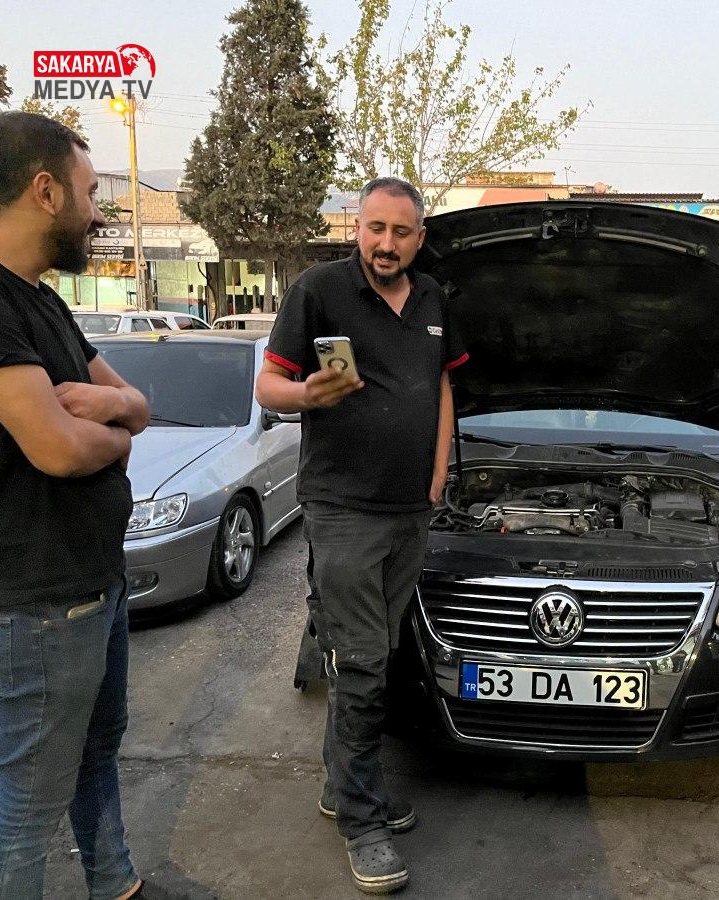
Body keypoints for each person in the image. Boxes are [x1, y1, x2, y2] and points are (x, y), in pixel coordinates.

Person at [255, 176, 467, 895]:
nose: (386, 243)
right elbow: (268, 387)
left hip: (410, 510)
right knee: (365, 661)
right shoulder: (319, 290)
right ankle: (361, 821)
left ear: (419, 238)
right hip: (343, 508)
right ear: (358, 226)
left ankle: (343, 784)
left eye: (401, 232)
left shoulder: (433, 298)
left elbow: (443, 387)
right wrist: (306, 393)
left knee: (377, 654)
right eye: (376, 228)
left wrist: (436, 474)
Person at [0, 112, 150, 899]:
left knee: (98, 749)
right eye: (88, 193)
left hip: (92, 579)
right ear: (44, 192)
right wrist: (112, 437)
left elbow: (136, 403)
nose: (97, 213)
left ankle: (115, 883)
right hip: (36, 601)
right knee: (30, 802)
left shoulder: (39, 299)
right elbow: (56, 448)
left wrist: (105, 411)